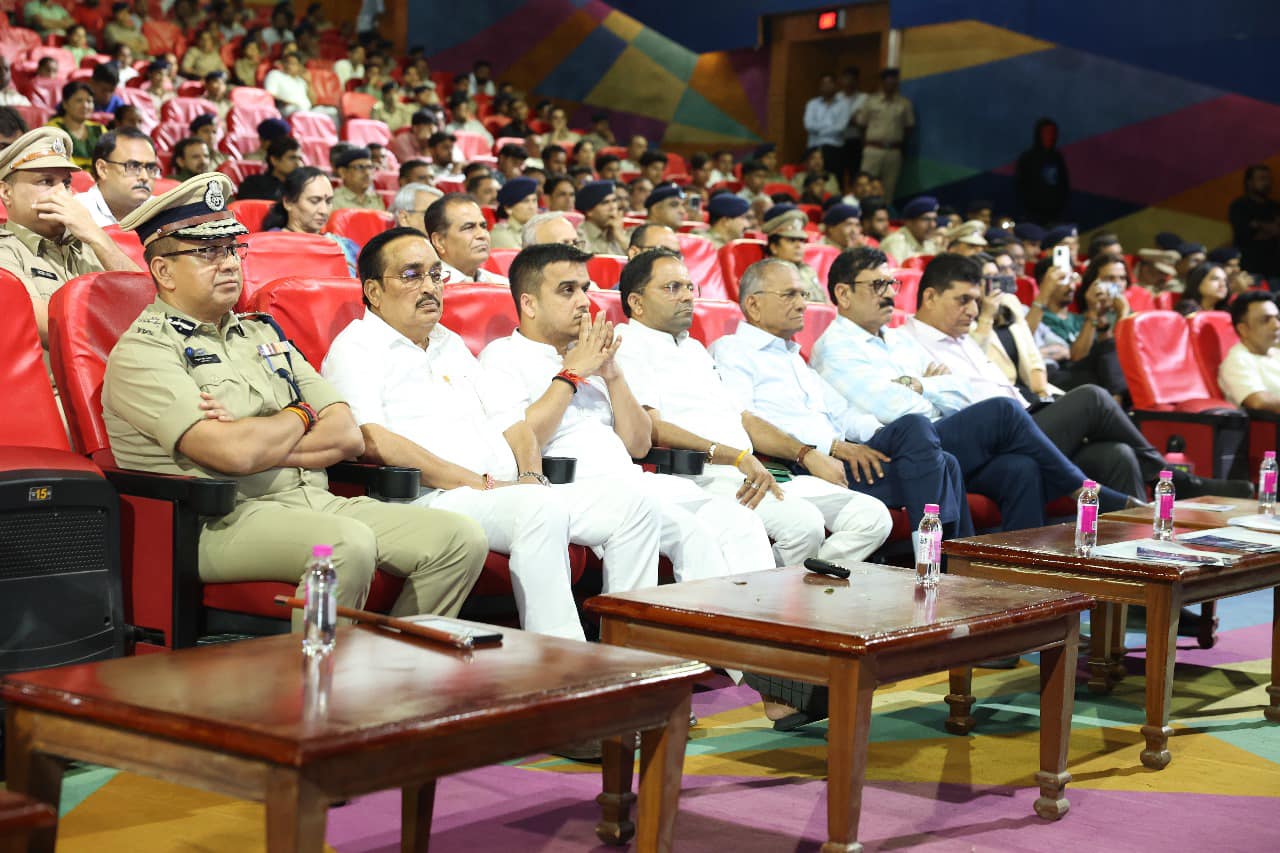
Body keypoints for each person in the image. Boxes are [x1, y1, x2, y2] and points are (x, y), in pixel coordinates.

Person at [104, 171, 486, 623]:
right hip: (221, 519)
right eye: (207, 252)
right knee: (344, 545)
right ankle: (316, 666)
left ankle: (396, 654)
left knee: (460, 538)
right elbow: (230, 453)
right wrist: (302, 415)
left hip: (315, 501)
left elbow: (346, 435)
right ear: (163, 271)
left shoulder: (261, 333)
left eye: (232, 249)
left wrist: (267, 429)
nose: (228, 263)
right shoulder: (144, 351)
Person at [323, 226, 663, 643]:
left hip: (503, 491)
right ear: (373, 291)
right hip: (432, 497)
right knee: (538, 509)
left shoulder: (449, 343)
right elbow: (373, 439)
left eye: (435, 274)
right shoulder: (355, 348)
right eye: (412, 275)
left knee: (634, 508)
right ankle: (559, 656)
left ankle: (631, 649)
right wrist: (482, 483)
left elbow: (513, 424)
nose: (429, 287)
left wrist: (531, 475)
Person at [478, 243, 774, 583]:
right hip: (571, 489)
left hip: (632, 480)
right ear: (529, 303)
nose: (584, 301)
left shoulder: (590, 354)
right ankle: (659, 618)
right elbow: (523, 443)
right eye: (567, 291)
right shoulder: (502, 357)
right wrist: (571, 374)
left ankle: (756, 614)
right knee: (693, 535)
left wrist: (612, 374)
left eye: (584, 289)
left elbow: (638, 444)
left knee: (739, 521)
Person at [811, 247, 1134, 529]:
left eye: (891, 284)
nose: (889, 294)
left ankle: (1021, 570)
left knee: (1021, 468)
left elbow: (961, 392)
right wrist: (932, 387)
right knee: (1003, 410)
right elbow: (897, 409)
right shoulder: (836, 347)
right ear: (843, 294)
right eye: (877, 285)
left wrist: (920, 385)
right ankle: (1085, 491)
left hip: (942, 438)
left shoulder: (897, 339)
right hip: (899, 450)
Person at [617, 245, 893, 565]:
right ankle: (777, 592)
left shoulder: (694, 349)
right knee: (803, 526)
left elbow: (744, 418)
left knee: (872, 517)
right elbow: (653, 428)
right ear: (636, 302)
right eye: (672, 288)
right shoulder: (628, 344)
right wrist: (734, 456)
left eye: (690, 287)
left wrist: (804, 453)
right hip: (701, 475)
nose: (687, 296)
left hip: (751, 469)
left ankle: (800, 586)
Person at [902, 252, 1249, 499]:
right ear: (930, 297)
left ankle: (1133, 573)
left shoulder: (965, 338)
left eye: (976, 300)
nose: (973, 309)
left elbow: (1021, 373)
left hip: (1030, 414)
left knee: (1117, 455)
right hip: (995, 437)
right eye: (963, 300)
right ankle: (1173, 480)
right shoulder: (905, 342)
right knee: (1092, 396)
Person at [708, 257, 972, 538]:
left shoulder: (792, 357)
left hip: (840, 455)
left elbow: (843, 412)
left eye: (803, 294)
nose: (802, 304)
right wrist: (830, 447)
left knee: (934, 451)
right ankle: (938, 557)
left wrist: (885, 439)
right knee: (926, 442)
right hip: (802, 464)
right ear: (753, 305)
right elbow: (745, 422)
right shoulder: (733, 351)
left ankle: (955, 559)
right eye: (790, 295)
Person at [0, 128, 141, 346]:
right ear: (6, 193)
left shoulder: (88, 243)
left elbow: (147, 303)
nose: (62, 193)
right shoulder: (6, 251)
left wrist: (96, 235)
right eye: (46, 182)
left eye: (66, 184)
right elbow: (47, 327)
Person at [1032, 254, 1131, 399]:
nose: (1071, 286)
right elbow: (1077, 357)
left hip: (1092, 373)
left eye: (1072, 278)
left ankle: (1120, 402)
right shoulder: (1039, 318)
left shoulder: (1080, 318)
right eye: (1063, 279)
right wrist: (1099, 313)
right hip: (1062, 375)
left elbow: (1107, 353)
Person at [262, 166, 360, 276]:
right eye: (314, 201)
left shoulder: (345, 246)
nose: (324, 210)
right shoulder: (269, 245)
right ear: (288, 202)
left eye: (328, 201)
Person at [75, 128, 159, 226]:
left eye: (150, 168)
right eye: (133, 166)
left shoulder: (163, 211)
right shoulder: (76, 212)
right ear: (102, 169)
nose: (144, 177)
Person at [855, 68, 914, 202]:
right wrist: (865, 143)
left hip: (893, 151)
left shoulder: (904, 103)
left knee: (889, 187)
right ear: (882, 82)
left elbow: (909, 127)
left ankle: (884, 211)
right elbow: (861, 125)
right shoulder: (871, 101)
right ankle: (863, 210)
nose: (891, 84)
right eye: (888, 81)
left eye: (894, 81)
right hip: (873, 149)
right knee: (865, 184)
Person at [425, 192, 507, 284]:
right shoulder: (428, 288)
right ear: (439, 241)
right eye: (469, 227)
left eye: (483, 226)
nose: (482, 235)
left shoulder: (503, 285)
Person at [1219, 291, 1280, 409]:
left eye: (1277, 318)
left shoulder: (1275, 353)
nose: (1276, 325)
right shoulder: (1237, 361)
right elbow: (1259, 401)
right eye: (1265, 320)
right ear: (1243, 329)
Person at [761, 205, 824, 302]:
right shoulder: (768, 275)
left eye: (801, 240)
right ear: (774, 247)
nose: (799, 245)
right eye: (791, 240)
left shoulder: (807, 270)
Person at [1229, 164, 1280, 281]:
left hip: (1275, 270)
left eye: (1268, 179)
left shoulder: (1275, 207)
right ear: (1250, 182)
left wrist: (1258, 225)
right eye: (1262, 178)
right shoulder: (1239, 206)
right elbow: (1243, 233)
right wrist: (1271, 228)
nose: (1266, 183)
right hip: (1248, 268)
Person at [1015, 118, 1070, 226]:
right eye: (1046, 133)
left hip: (1055, 216)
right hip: (1033, 217)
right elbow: (1021, 187)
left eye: (1053, 133)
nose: (1050, 136)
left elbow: (1064, 185)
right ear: (1039, 134)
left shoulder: (1057, 158)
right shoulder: (1028, 158)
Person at [48, 82, 107, 169]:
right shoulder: (53, 129)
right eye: (79, 100)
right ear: (65, 104)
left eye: (89, 101)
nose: (85, 106)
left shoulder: (100, 129)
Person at [803, 75, 849, 185]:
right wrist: (829, 127)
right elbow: (809, 125)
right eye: (824, 84)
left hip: (834, 149)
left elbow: (840, 127)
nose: (827, 86)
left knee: (833, 180)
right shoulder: (812, 104)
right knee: (812, 180)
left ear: (836, 86)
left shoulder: (843, 104)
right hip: (814, 146)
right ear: (820, 86)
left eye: (830, 83)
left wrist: (819, 131)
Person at [236, 136, 301, 200]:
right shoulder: (253, 185)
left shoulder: (301, 186)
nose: (298, 163)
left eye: (300, 159)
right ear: (274, 160)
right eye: (292, 158)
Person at [879, 195, 941, 262]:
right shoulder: (895, 243)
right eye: (926, 219)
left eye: (934, 219)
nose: (932, 225)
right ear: (908, 222)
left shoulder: (928, 242)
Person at [489, 177, 538, 250]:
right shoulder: (501, 234)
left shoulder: (538, 229)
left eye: (534, 200)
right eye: (525, 201)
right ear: (508, 209)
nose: (532, 206)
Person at [330, 147, 385, 211]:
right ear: (343, 172)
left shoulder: (376, 201)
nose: (367, 173)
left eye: (370, 167)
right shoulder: (333, 201)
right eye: (360, 167)